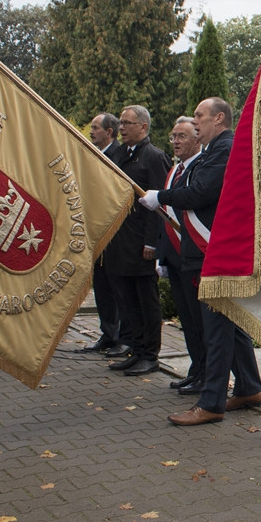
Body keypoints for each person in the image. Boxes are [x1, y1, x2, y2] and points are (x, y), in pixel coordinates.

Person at [140, 97, 261, 426]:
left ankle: (211, 403)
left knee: (216, 331)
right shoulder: (216, 149)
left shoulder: (225, 149)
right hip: (210, 251)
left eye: (200, 116)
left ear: (219, 118)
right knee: (230, 325)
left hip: (215, 251)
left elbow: (199, 193)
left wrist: (160, 197)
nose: (195, 122)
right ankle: (250, 387)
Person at [104, 105, 171, 376]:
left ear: (143, 127)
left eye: (127, 123)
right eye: (120, 123)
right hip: (119, 240)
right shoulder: (120, 154)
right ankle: (135, 348)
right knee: (126, 300)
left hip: (140, 242)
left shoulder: (154, 157)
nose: (122, 128)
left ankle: (149, 354)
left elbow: (158, 206)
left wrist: (152, 243)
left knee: (146, 300)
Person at [154, 117, 208, 394]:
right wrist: (162, 257)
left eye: (182, 136)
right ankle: (195, 368)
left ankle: (205, 374)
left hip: (195, 254)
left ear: (197, 139)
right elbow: (165, 216)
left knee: (200, 321)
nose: (175, 141)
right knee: (186, 318)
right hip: (175, 255)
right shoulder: (174, 170)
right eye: (173, 136)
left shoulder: (201, 167)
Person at [81, 113, 129, 356]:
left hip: (114, 233)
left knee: (115, 287)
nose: (92, 132)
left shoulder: (119, 156)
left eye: (96, 128)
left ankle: (120, 336)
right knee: (101, 286)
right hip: (96, 231)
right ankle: (108, 333)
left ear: (110, 132)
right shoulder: (93, 154)